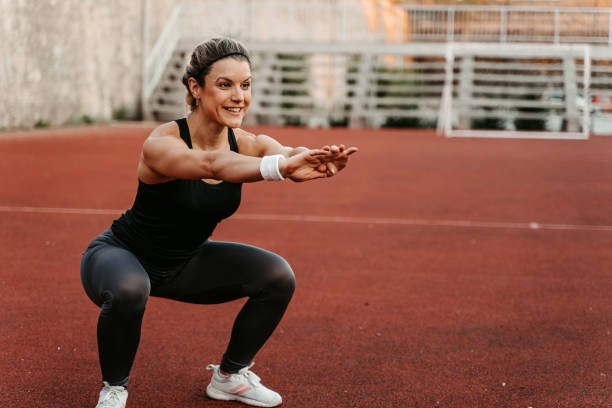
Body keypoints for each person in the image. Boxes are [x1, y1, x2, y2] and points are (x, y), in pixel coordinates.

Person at [80, 37, 357, 408]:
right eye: (225, 85)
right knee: (131, 290)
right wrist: (281, 168)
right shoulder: (161, 143)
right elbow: (212, 164)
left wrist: (315, 159)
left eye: (245, 85)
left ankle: (229, 377)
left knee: (277, 275)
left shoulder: (246, 142)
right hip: (121, 256)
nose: (238, 96)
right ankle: (114, 389)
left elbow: (287, 153)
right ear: (196, 87)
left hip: (184, 263)